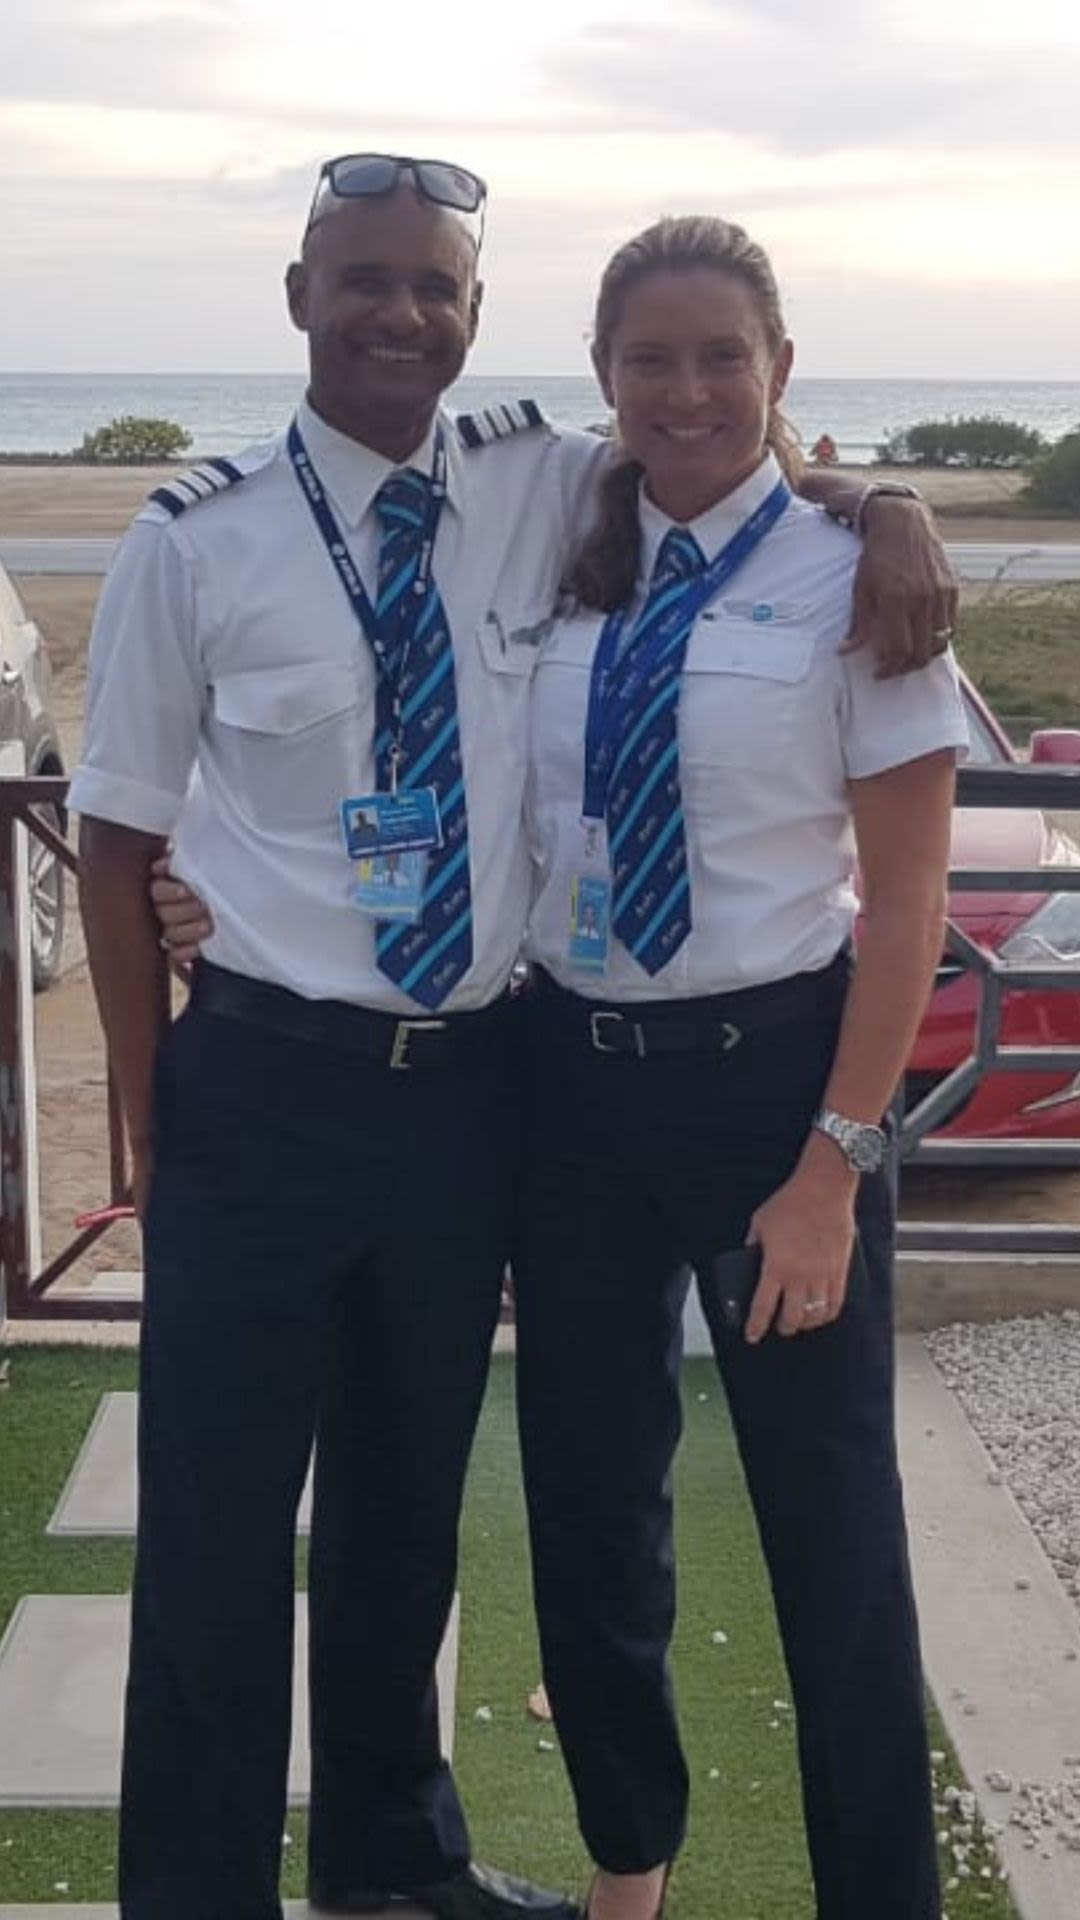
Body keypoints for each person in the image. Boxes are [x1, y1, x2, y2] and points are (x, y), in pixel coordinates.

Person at [79, 153, 954, 1920]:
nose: (402, 314)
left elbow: (726, 460)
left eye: (437, 287)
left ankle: (390, 1863)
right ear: (302, 298)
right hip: (283, 1084)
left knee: (409, 1513)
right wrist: (151, 1109)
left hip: (496, 1095)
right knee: (224, 1533)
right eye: (367, 280)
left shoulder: (535, 481)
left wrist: (892, 503)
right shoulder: (199, 536)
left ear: (478, 316)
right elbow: (113, 830)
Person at [512, 215, 967, 1920]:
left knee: (830, 1525)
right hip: (569, 1084)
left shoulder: (860, 581)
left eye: (724, 358)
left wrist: (833, 1166)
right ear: (603, 375)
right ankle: (629, 1870)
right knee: (588, 1505)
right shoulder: (558, 542)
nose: (687, 392)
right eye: (650, 360)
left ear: (782, 370)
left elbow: (908, 907)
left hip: (775, 1081)